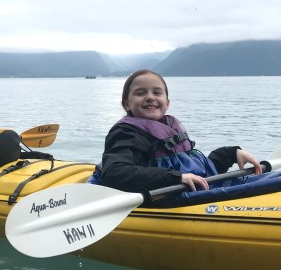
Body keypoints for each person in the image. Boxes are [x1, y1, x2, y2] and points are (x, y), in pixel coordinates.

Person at [92, 69, 262, 196]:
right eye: (140, 93)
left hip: (184, 190)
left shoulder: (169, 128)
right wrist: (174, 178)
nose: (150, 97)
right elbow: (115, 174)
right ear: (127, 104)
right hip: (162, 199)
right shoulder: (126, 133)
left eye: (157, 92)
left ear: (167, 102)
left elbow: (200, 172)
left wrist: (230, 154)